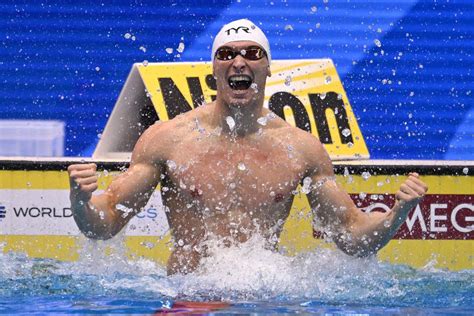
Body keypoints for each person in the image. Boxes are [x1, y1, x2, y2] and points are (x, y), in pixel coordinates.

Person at [68, 19, 428, 275]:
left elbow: (351, 237)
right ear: (213, 68)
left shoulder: (301, 149)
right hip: (190, 297)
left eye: (251, 53)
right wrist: (82, 202)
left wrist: (396, 214)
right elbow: (105, 224)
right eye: (226, 54)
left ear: (267, 66)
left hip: (263, 297)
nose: (238, 62)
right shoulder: (169, 139)